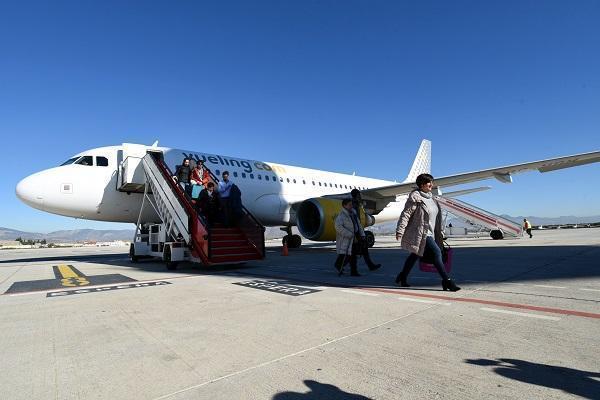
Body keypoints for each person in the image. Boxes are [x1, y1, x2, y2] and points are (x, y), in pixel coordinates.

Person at [395, 173, 461, 291]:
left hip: (432, 232)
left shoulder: (432, 199)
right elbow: (405, 214)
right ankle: (447, 281)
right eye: (428, 182)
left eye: (431, 182)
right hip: (421, 233)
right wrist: (400, 230)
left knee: (415, 255)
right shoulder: (415, 198)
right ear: (421, 184)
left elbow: (436, 217)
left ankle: (403, 276)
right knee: (436, 253)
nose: (431, 184)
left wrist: (440, 231)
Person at [350, 189, 381, 271]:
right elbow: (356, 219)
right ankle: (348, 268)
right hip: (356, 231)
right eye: (359, 195)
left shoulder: (354, 204)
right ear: (357, 195)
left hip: (357, 230)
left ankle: (369, 266)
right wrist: (359, 232)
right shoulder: (354, 205)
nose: (360, 196)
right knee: (355, 251)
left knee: (360, 249)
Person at [334, 198, 365, 277]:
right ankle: (339, 265)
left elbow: (358, 225)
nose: (351, 206)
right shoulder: (341, 216)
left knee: (353, 255)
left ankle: (353, 271)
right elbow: (338, 227)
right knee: (346, 255)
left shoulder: (353, 214)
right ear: (344, 206)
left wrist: (362, 234)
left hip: (355, 237)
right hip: (347, 238)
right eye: (349, 205)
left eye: (352, 204)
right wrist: (348, 234)